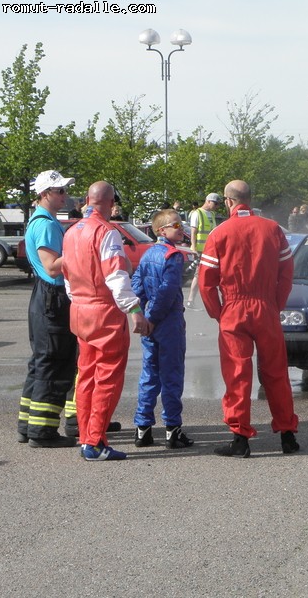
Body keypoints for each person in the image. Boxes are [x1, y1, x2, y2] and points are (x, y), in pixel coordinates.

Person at [198, 179, 299, 458]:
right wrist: (275, 305)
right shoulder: (273, 229)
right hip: (266, 307)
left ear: (228, 202)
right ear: (250, 200)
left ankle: (240, 439)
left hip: (233, 309)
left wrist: (218, 313)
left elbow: (207, 282)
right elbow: (287, 274)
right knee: (276, 373)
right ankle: (288, 435)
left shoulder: (219, 233)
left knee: (237, 375)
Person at [62, 180, 152, 461]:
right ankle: (95, 441)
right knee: (108, 378)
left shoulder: (71, 232)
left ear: (88, 200)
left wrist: (78, 299)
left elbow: (67, 276)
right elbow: (116, 276)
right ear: (111, 203)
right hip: (103, 311)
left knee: (86, 375)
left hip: (79, 308)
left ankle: (86, 435)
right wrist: (135, 310)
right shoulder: (106, 232)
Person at [16, 170, 79, 447]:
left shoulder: (43, 220)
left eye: (65, 190)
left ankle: (27, 426)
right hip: (52, 297)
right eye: (60, 191)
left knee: (42, 362)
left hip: (45, 297)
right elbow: (53, 265)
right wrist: (81, 253)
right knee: (55, 362)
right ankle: (42, 433)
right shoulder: (46, 224)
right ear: (45, 194)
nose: (65, 195)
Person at [131, 209, 194, 449]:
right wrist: (154, 317)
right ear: (162, 230)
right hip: (167, 322)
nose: (181, 229)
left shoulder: (148, 255)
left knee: (149, 374)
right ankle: (172, 430)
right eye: (176, 225)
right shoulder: (173, 256)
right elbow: (167, 291)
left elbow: (136, 284)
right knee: (171, 376)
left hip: (150, 321)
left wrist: (144, 314)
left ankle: (142, 430)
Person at [185, 192, 222, 309]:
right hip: (201, 250)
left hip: (210, 250)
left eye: (218, 204)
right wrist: (194, 248)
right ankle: (191, 300)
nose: (217, 206)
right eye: (215, 203)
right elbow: (193, 232)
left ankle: (193, 300)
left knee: (201, 274)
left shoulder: (211, 214)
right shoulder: (198, 213)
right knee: (198, 274)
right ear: (208, 201)